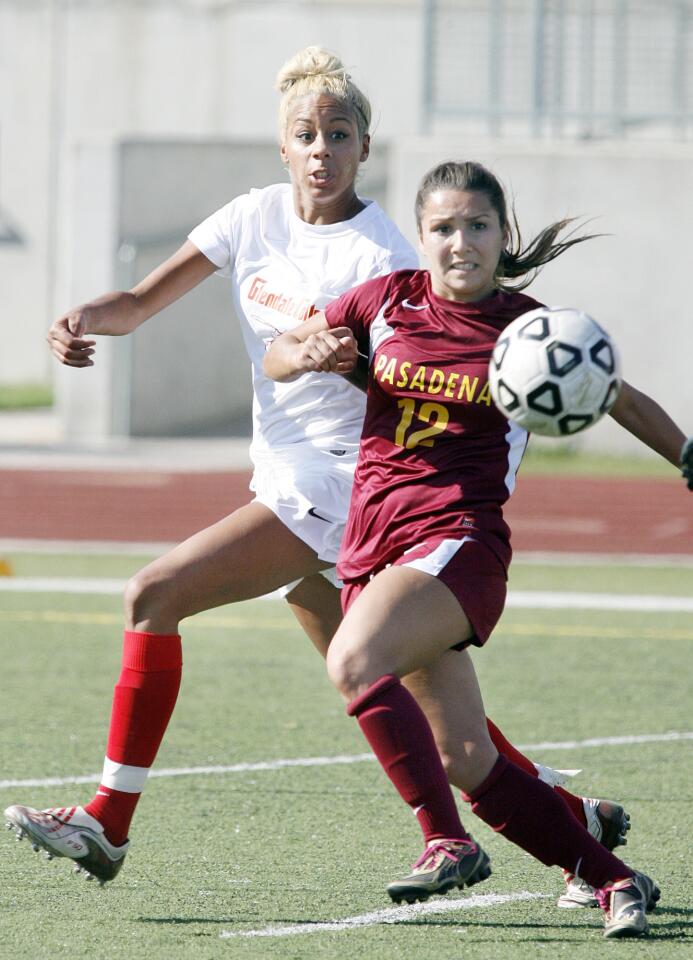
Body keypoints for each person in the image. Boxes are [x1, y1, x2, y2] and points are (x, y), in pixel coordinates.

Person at [5, 50, 633, 906]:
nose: (321, 150)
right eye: (306, 135)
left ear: (364, 148)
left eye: (339, 135)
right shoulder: (251, 217)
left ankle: (108, 821)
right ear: (283, 145)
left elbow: (423, 377)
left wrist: (346, 369)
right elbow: (142, 303)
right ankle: (553, 826)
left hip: (341, 489)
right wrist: (85, 319)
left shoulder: (381, 253)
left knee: (154, 594)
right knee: (406, 696)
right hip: (291, 483)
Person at [263, 158, 692, 938]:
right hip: (374, 549)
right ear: (420, 236)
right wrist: (306, 354)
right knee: (466, 757)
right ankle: (614, 879)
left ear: (503, 235)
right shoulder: (383, 300)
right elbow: (281, 352)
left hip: (458, 544)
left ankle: (444, 843)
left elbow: (618, 396)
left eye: (477, 225)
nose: (460, 241)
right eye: (443, 227)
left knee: (354, 663)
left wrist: (687, 458)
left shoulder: (530, 329)